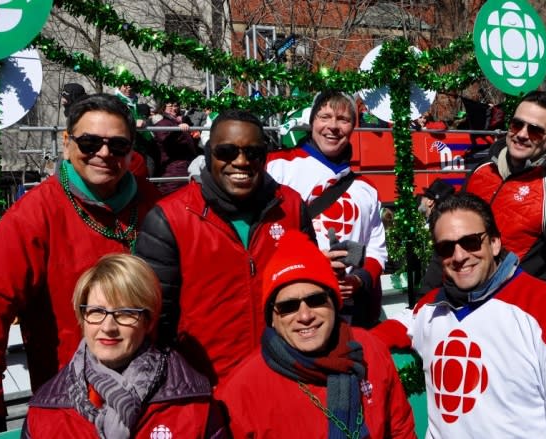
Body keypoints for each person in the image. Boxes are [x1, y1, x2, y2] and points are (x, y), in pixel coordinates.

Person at [0, 94, 161, 437]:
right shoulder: (33, 216)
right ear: (66, 142)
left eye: (118, 145)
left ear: (132, 150)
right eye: (89, 142)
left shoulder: (157, 208)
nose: (104, 154)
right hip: (72, 407)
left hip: (157, 399)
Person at [373, 192, 546, 438]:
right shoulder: (432, 307)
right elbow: (406, 322)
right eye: (447, 248)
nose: (459, 256)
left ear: (494, 243)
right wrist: (363, 342)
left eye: (471, 242)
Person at [135, 109, 315, 388]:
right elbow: (156, 325)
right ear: (209, 155)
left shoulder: (290, 207)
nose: (241, 162)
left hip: (285, 382)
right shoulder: (168, 218)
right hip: (208, 389)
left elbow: (312, 293)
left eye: (253, 152)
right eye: (227, 151)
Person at [218, 231, 415, 438]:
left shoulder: (369, 349)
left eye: (316, 300)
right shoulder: (241, 390)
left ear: (334, 302)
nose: (304, 315)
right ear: (273, 319)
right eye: (289, 306)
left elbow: (400, 429)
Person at [22, 254, 226, 438]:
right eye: (96, 312)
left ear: (148, 321)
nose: (108, 326)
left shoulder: (193, 405)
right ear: (82, 318)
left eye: (125, 313)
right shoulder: (45, 411)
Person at [266, 90, 388, 328]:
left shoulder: (367, 189)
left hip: (349, 313)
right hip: (293, 305)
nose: (333, 126)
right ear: (312, 121)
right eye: (325, 117)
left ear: (353, 127)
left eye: (343, 119)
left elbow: (376, 251)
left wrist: (357, 280)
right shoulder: (277, 168)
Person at [465, 90, 546, 294]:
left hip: (511, 315)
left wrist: (518, 303)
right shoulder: (480, 172)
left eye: (535, 131)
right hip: (458, 302)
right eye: (517, 124)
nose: (522, 135)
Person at [151, 99, 199, 195]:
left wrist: (195, 137)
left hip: (187, 165)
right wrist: (178, 130)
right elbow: (166, 143)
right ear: (163, 107)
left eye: (176, 105)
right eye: (170, 106)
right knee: (171, 195)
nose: (174, 108)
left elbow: (189, 145)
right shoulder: (162, 123)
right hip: (173, 167)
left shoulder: (179, 122)